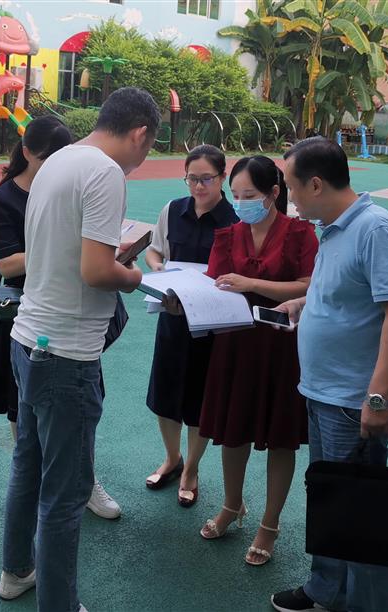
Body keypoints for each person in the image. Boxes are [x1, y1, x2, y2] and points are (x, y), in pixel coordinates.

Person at [0, 87, 160, 611]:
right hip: (67, 352)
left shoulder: (58, 161)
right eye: (148, 148)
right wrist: (133, 276)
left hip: (28, 338)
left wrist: (111, 258)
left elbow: (67, 251)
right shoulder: (106, 173)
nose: (142, 159)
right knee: (65, 495)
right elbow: (96, 272)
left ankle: (16, 571)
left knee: (28, 468)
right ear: (140, 134)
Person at [270, 137, 388, 612]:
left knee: (360, 516)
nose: (289, 198)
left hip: (355, 401)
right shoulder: (332, 229)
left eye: (291, 187)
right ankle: (326, 590)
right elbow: (341, 293)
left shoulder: (377, 229)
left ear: (316, 184)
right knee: (331, 501)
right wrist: (303, 303)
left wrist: (377, 399)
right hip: (324, 392)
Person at [0, 116, 121, 523]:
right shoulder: (4, 198)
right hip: (24, 313)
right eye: (47, 158)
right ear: (26, 152)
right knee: (20, 405)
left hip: (70, 314)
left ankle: (85, 480)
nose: (56, 165)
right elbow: (7, 264)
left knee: (80, 402)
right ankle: (31, 479)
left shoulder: (66, 183)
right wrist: (63, 249)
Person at [197, 155, 319, 566]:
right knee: (232, 432)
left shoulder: (300, 234)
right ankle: (231, 505)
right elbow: (213, 286)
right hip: (234, 346)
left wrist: (250, 283)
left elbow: (309, 285)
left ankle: (270, 523)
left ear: (273, 193)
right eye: (235, 195)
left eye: (249, 195)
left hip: (282, 347)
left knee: (280, 436)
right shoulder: (227, 235)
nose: (240, 203)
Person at [144, 145, 238, 507]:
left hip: (211, 323)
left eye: (206, 179)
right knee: (165, 394)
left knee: (200, 399)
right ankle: (172, 459)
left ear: (222, 177)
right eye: (192, 179)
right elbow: (155, 250)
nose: (199, 186)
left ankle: (191, 470)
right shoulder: (172, 210)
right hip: (172, 315)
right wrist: (159, 269)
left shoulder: (234, 220)